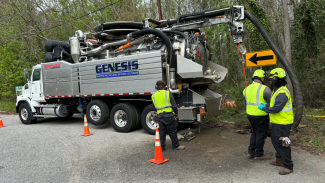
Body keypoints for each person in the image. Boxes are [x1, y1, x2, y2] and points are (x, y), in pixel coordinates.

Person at [258, 68, 294, 175]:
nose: (269, 80)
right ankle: (279, 159)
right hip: (277, 122)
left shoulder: (282, 92)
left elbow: (277, 108)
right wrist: (267, 105)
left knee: (283, 144)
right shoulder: (276, 90)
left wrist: (264, 109)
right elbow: (274, 105)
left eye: (271, 79)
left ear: (276, 79)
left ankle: (288, 166)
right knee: (275, 142)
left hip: (283, 123)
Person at [243, 69, 272, 160]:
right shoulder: (265, 89)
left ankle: (251, 152)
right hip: (261, 115)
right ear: (262, 78)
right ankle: (259, 154)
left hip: (250, 115)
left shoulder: (246, 89)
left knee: (254, 132)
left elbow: (245, 104)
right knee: (261, 134)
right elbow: (271, 103)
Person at [151, 80, 185, 151]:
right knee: (172, 131)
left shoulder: (153, 96)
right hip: (169, 115)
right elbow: (174, 106)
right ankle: (175, 146)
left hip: (160, 116)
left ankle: (162, 147)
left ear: (156, 87)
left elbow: (154, 107)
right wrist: (175, 113)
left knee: (162, 131)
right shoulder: (168, 93)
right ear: (165, 86)